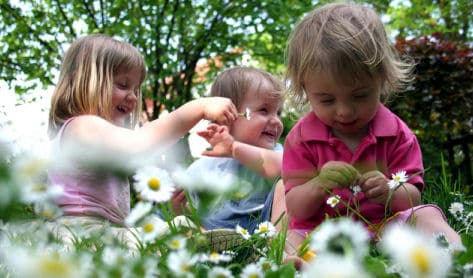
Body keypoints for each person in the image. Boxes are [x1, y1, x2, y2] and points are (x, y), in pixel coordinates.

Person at [281, 2, 462, 255]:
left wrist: (390, 190)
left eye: (360, 96)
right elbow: (296, 209)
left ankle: (456, 256)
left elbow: (413, 196)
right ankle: (299, 266)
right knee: (290, 238)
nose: (344, 111)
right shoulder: (301, 139)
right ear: (304, 90)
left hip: (385, 228)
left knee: (426, 214)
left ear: (382, 80)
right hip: (322, 231)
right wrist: (320, 184)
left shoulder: (397, 133)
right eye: (327, 100)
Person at [46, 34, 239, 246]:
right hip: (82, 236)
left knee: (176, 228)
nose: (133, 97)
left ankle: (228, 251)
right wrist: (198, 107)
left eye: (136, 89)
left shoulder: (90, 137)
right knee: (181, 228)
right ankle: (231, 252)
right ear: (84, 81)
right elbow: (141, 143)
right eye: (122, 85)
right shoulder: (81, 126)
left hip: (100, 235)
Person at [180, 66, 287, 234]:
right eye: (264, 110)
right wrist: (176, 207)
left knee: (287, 185)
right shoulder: (201, 168)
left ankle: (283, 252)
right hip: (215, 239)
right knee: (183, 223)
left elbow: (286, 167)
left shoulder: (276, 154)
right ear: (225, 116)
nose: (276, 121)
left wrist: (234, 148)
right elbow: (190, 209)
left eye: (278, 112)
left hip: (265, 234)